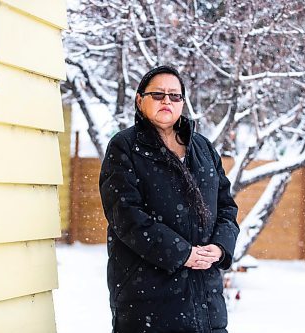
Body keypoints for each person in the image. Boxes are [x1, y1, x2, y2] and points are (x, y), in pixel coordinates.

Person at [99, 65, 239, 333]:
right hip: (148, 299)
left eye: (175, 96)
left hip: (206, 302)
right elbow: (125, 214)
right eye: (158, 94)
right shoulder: (124, 147)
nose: (167, 100)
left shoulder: (204, 148)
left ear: (183, 104)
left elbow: (227, 208)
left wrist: (220, 247)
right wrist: (181, 253)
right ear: (140, 100)